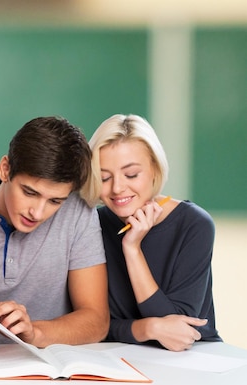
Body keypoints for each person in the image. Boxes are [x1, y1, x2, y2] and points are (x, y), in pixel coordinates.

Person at [0, 116, 109, 358]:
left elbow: (97, 321)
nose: (38, 212)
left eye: (55, 201)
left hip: (46, 364)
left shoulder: (78, 213)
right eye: (29, 192)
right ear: (5, 169)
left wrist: (35, 333)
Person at [80, 113, 221, 351]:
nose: (117, 188)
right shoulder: (91, 224)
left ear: (155, 169)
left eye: (131, 174)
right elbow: (92, 326)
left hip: (196, 358)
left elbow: (177, 331)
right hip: (122, 358)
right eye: (104, 177)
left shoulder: (194, 224)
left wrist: (132, 249)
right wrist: (148, 328)